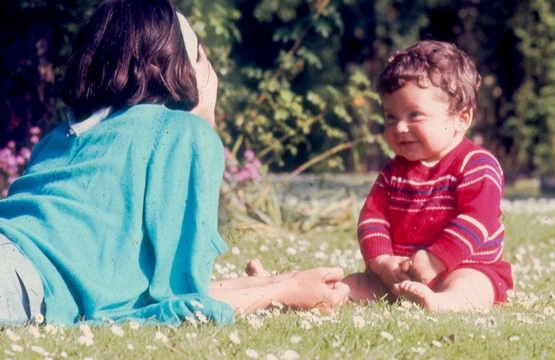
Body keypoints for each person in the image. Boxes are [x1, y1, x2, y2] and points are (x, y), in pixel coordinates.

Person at [0, 0, 349, 326]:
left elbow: (153, 287)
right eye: (201, 57)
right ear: (187, 67)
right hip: (18, 278)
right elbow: (183, 301)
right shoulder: (184, 133)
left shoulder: (61, 136)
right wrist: (282, 294)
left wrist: (283, 279)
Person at [342, 40, 513, 312]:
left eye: (414, 115)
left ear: (461, 118)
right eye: (390, 116)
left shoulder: (476, 165)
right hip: (401, 272)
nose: (399, 127)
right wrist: (383, 263)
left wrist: (434, 261)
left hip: (463, 266)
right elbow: (372, 218)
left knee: (472, 287)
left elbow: (476, 220)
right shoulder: (392, 171)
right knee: (353, 285)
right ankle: (291, 293)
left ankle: (442, 302)